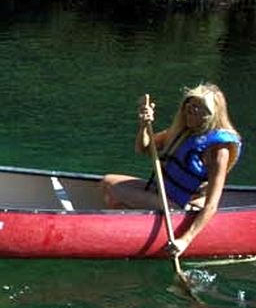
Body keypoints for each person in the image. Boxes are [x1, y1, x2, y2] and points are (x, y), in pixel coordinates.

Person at [100, 83, 242, 254]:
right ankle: (135, 228)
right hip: (163, 192)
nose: (190, 109)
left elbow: (211, 205)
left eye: (198, 107)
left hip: (181, 204)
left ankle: (127, 236)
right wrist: (144, 125)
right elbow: (143, 147)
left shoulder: (218, 150)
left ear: (211, 115)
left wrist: (185, 240)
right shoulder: (184, 132)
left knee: (117, 193)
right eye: (189, 105)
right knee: (107, 182)